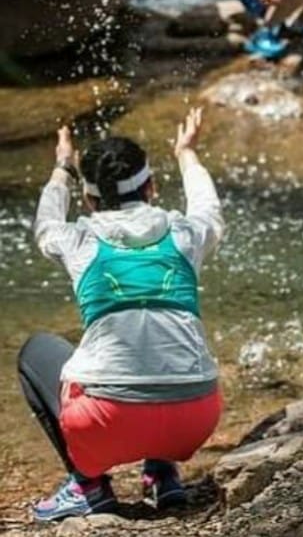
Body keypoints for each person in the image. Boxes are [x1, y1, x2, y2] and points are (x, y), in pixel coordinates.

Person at [19, 107, 224, 521]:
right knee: (160, 349)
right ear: (151, 187)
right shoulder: (184, 234)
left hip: (106, 424)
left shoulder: (78, 239)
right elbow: (210, 209)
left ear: (89, 199)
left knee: (34, 353)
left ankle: (88, 485)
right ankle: (164, 473)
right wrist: (187, 153)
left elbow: (45, 225)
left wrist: (63, 167)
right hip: (195, 419)